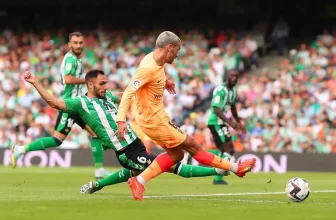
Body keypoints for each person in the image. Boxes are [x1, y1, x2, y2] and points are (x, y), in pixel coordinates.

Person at [22, 69, 230, 194]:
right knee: (170, 165)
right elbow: (54, 102)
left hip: (136, 143)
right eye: (102, 84)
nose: (106, 87)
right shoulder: (80, 103)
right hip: (125, 152)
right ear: (90, 84)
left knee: (135, 172)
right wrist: (35, 83)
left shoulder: (109, 97)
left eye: (107, 83)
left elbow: (130, 94)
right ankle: (219, 170)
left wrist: (157, 83)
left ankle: (98, 185)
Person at [116, 31, 256, 201]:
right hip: (155, 122)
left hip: (155, 119)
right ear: (169, 47)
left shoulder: (154, 60)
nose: (177, 54)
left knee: (177, 155)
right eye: (177, 50)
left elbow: (154, 75)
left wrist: (164, 81)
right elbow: (128, 92)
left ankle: (139, 180)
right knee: (193, 145)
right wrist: (121, 120)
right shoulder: (147, 68)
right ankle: (236, 168)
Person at [11, 32, 110, 179]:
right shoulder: (70, 59)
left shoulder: (78, 60)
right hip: (69, 104)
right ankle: (21, 149)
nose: (78, 45)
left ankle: (99, 170)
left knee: (96, 133)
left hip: (79, 104)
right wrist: (88, 81)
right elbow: (69, 79)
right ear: (69, 44)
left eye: (80, 43)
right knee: (57, 140)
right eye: (75, 43)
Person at [207, 69, 246, 185]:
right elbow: (216, 109)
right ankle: (217, 179)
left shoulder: (234, 92)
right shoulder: (220, 90)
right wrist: (231, 122)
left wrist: (238, 123)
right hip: (215, 122)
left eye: (236, 76)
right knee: (229, 149)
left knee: (224, 151)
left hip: (221, 123)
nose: (234, 78)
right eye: (232, 76)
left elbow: (233, 108)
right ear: (227, 76)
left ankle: (197, 152)